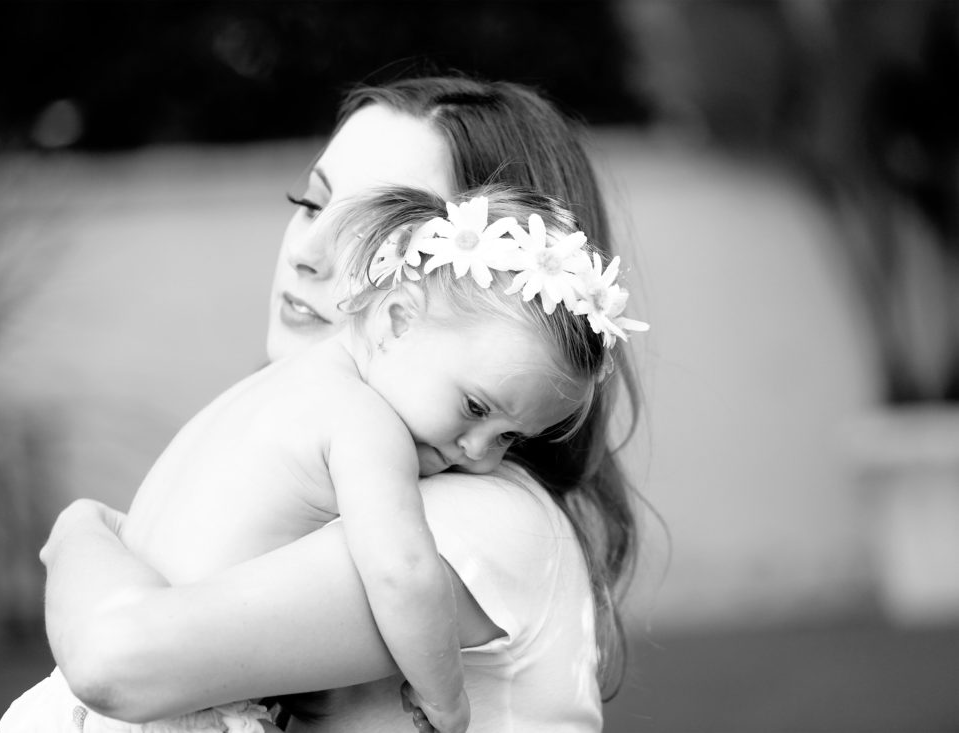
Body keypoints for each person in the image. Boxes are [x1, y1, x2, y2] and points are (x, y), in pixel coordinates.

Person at [36, 75, 646, 733]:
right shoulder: (323, 440)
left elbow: (116, 656)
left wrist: (80, 534)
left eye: (381, 235)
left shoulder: (476, 513)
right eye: (310, 202)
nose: (308, 251)